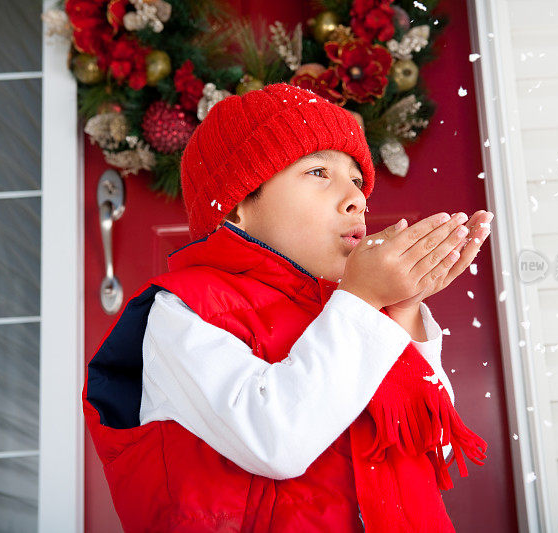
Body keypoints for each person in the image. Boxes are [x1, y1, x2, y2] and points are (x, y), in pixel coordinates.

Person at [82, 82, 492, 532]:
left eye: (357, 180)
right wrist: (363, 301)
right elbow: (276, 441)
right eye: (319, 172)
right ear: (237, 204)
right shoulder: (184, 311)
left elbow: (433, 447)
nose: (357, 197)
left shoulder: (352, 311)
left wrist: (403, 311)